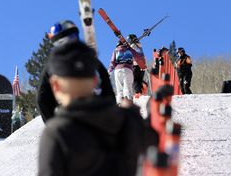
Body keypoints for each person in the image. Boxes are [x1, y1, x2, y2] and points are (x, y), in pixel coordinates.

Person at [38, 41, 157, 176]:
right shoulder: (125, 121)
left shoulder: (57, 131)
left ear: (55, 85)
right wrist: (132, 114)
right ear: (95, 80)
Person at [38, 20, 115, 122]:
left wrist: (53, 123)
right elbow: (107, 86)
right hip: (97, 116)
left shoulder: (53, 65)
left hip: (70, 118)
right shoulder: (90, 59)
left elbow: (42, 98)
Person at [110, 40, 142, 104]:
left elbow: (113, 61)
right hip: (128, 69)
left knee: (119, 88)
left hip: (117, 71)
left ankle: (120, 101)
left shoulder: (116, 50)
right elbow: (138, 56)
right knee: (127, 86)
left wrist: (110, 69)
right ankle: (128, 100)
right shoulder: (129, 50)